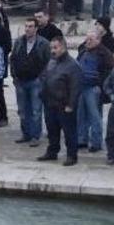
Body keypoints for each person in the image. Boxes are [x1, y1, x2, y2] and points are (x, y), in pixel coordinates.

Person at [37, 37, 83, 166]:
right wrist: (42, 94)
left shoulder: (73, 65)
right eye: (51, 48)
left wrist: (71, 104)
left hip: (64, 105)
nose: (52, 51)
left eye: (55, 48)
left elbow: (75, 87)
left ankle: (71, 155)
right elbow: (44, 76)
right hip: (50, 103)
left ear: (63, 47)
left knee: (69, 132)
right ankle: (52, 152)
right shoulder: (51, 62)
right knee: (52, 131)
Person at [10, 18, 50, 146]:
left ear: (36, 28)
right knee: (22, 109)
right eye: (26, 26)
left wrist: (41, 78)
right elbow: (13, 59)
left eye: (31, 26)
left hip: (35, 81)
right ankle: (25, 133)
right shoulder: (19, 42)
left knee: (36, 109)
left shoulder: (43, 43)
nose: (27, 29)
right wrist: (14, 76)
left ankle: (35, 136)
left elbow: (48, 63)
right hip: (20, 80)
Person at [76, 32, 114, 153]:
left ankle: (96, 142)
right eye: (86, 39)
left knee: (95, 116)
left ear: (98, 40)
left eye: (90, 40)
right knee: (80, 115)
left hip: (94, 88)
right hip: (81, 87)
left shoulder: (104, 53)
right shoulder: (83, 51)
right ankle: (81, 139)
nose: (87, 42)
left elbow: (109, 72)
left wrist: (100, 85)